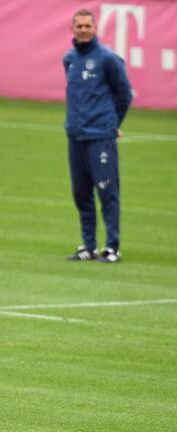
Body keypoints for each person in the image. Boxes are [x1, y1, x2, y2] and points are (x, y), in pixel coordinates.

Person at [64, 8, 133, 263]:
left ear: (95, 28)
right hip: (75, 136)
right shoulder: (69, 58)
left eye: (87, 26)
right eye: (79, 26)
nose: (83, 30)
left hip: (100, 136)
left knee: (107, 192)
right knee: (81, 193)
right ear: (72, 29)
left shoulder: (107, 58)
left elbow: (124, 94)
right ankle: (89, 245)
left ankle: (112, 246)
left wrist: (113, 124)